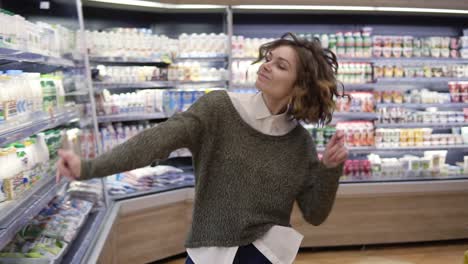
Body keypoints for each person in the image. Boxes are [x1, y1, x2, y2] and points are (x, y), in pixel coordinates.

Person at [56, 32, 348, 264]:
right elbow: (155, 141)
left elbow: (314, 213)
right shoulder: (219, 108)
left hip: (265, 255)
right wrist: (89, 168)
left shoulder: (300, 144)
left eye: (281, 65)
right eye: (268, 58)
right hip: (210, 254)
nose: (267, 65)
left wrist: (330, 170)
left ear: (300, 87)